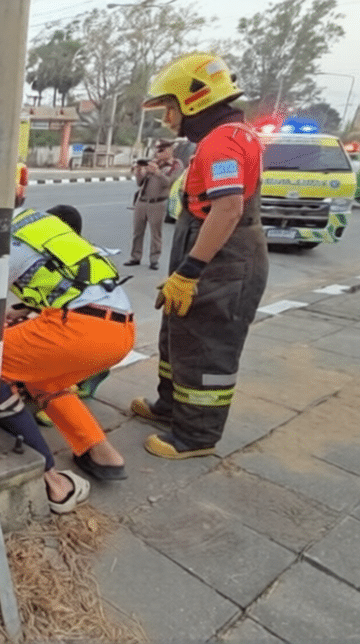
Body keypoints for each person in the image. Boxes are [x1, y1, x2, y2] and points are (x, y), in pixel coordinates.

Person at [131, 53, 268, 459]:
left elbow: (227, 210)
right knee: (181, 336)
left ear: (194, 101)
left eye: (170, 108)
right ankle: (171, 406)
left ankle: (196, 436)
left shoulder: (222, 143)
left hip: (223, 260)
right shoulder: (228, 136)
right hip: (210, 250)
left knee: (209, 346)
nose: (169, 120)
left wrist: (190, 270)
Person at [1, 204, 135, 487]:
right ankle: (100, 453)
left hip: (80, 330)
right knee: (44, 381)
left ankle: (15, 448)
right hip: (120, 331)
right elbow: (69, 284)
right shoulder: (41, 229)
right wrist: (22, 310)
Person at [125, 140, 184, 270]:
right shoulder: (152, 163)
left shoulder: (176, 165)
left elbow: (169, 183)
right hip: (142, 201)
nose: (158, 153)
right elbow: (140, 183)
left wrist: (157, 173)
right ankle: (135, 257)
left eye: (162, 150)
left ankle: (154, 259)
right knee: (137, 232)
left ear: (169, 150)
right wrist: (139, 172)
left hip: (158, 203)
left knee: (156, 234)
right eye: (157, 150)